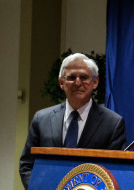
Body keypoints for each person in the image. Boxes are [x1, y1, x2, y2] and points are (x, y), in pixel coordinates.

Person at [19, 53, 126, 189]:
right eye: (71, 77)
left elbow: (115, 172)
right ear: (61, 83)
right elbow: (27, 164)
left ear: (95, 82)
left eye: (84, 77)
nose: (77, 82)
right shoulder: (42, 119)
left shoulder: (113, 123)